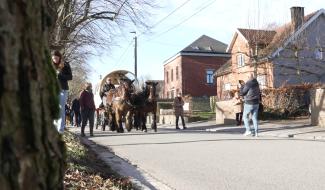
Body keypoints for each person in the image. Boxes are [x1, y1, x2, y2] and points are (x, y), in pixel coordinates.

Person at [52, 50, 72, 133]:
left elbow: (70, 77)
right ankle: (54, 128)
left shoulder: (65, 64)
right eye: (53, 58)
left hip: (62, 89)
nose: (55, 60)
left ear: (59, 57)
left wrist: (60, 75)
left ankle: (60, 130)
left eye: (56, 58)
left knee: (61, 108)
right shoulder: (49, 65)